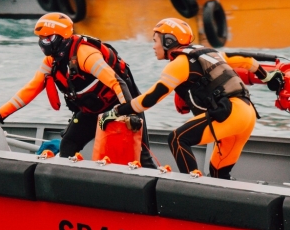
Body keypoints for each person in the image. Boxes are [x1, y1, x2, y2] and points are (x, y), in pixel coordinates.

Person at [101, 18, 278, 179]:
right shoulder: (207, 53)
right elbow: (246, 60)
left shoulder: (179, 64)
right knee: (219, 175)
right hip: (247, 114)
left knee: (178, 139)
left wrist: (118, 110)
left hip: (230, 113)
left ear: (168, 41)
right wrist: (267, 77)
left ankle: (191, 187)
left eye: (155, 41)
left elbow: (149, 99)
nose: (153, 46)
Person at [0, 13, 154, 166]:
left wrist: (130, 114)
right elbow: (31, 89)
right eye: (41, 38)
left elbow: (117, 83)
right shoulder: (51, 62)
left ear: (62, 37)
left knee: (143, 158)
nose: (43, 43)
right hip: (91, 112)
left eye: (48, 38)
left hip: (122, 108)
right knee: (68, 144)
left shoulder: (85, 54)